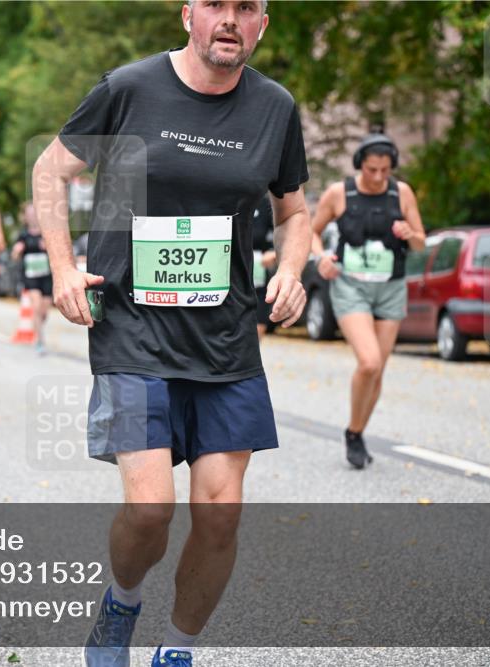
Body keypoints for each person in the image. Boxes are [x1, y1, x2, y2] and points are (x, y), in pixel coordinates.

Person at [31, 2, 311, 665]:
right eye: (217, 4)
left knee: (220, 514)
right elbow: (51, 170)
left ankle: (177, 650)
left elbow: (293, 209)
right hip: (132, 327)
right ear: (189, 14)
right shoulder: (130, 88)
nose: (230, 19)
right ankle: (121, 601)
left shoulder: (275, 106)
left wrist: (293, 270)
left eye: (247, 8)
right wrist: (64, 266)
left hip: (225, 339)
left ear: (262, 24)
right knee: (151, 508)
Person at [310, 133, 425, 469]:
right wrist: (321, 259)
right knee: (370, 362)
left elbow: (420, 243)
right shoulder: (338, 193)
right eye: (372, 169)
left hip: (390, 286)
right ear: (360, 164)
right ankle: (353, 433)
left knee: (378, 372)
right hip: (351, 286)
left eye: (385, 170)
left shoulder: (401, 193)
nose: (377, 177)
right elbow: (312, 232)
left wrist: (410, 234)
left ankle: (356, 431)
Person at [10, 201, 53, 355]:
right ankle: (40, 340)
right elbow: (14, 257)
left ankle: (38, 329)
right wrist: (17, 251)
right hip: (31, 276)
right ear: (26, 217)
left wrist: (48, 247)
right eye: (29, 214)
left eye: (34, 213)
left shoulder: (46, 233)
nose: (32, 216)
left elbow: (56, 254)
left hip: (46, 276)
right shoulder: (23, 235)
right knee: (35, 307)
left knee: (44, 312)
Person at [251, 196, 278, 338]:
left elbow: (283, 229)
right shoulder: (227, 197)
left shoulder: (265, 203)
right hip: (228, 271)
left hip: (258, 272)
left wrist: (274, 252)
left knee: (258, 325)